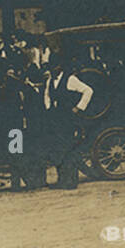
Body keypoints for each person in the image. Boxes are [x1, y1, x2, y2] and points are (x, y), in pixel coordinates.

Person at [43, 61, 93, 190]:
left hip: (68, 119)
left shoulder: (71, 79)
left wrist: (79, 107)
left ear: (60, 67)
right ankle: (62, 180)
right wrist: (49, 108)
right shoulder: (50, 81)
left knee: (69, 149)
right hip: (55, 119)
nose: (53, 70)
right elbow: (47, 95)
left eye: (55, 67)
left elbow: (88, 91)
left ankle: (71, 181)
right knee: (58, 149)